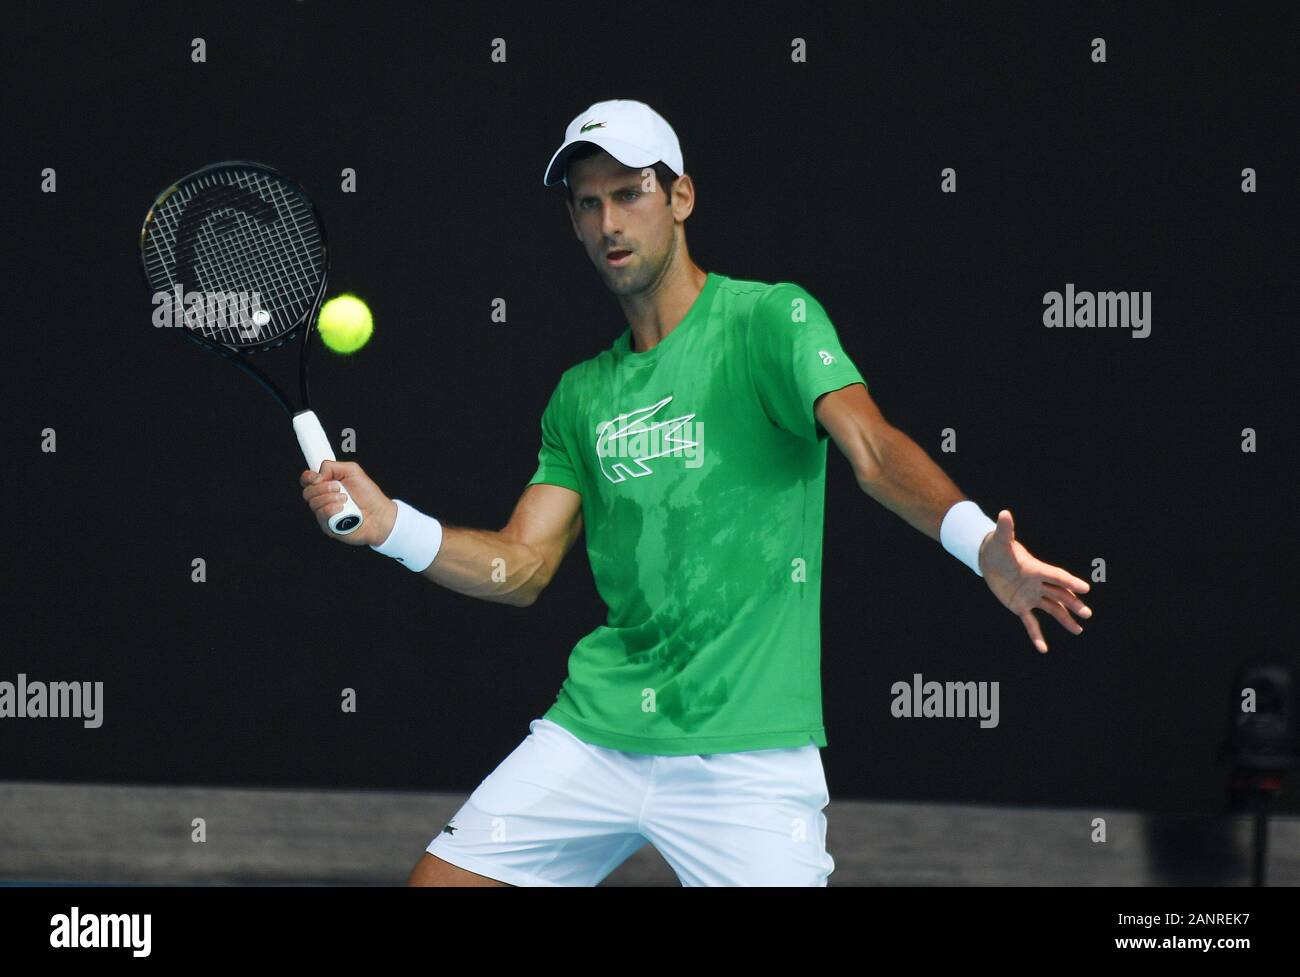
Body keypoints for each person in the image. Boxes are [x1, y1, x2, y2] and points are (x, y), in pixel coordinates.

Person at [299, 99, 1093, 886]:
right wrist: (392, 525)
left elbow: (875, 452)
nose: (610, 221)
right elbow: (524, 567)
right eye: (588, 202)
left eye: (630, 192)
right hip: (599, 732)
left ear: (681, 198)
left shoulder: (770, 320)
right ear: (573, 222)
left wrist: (977, 542)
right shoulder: (580, 395)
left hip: (747, 757)